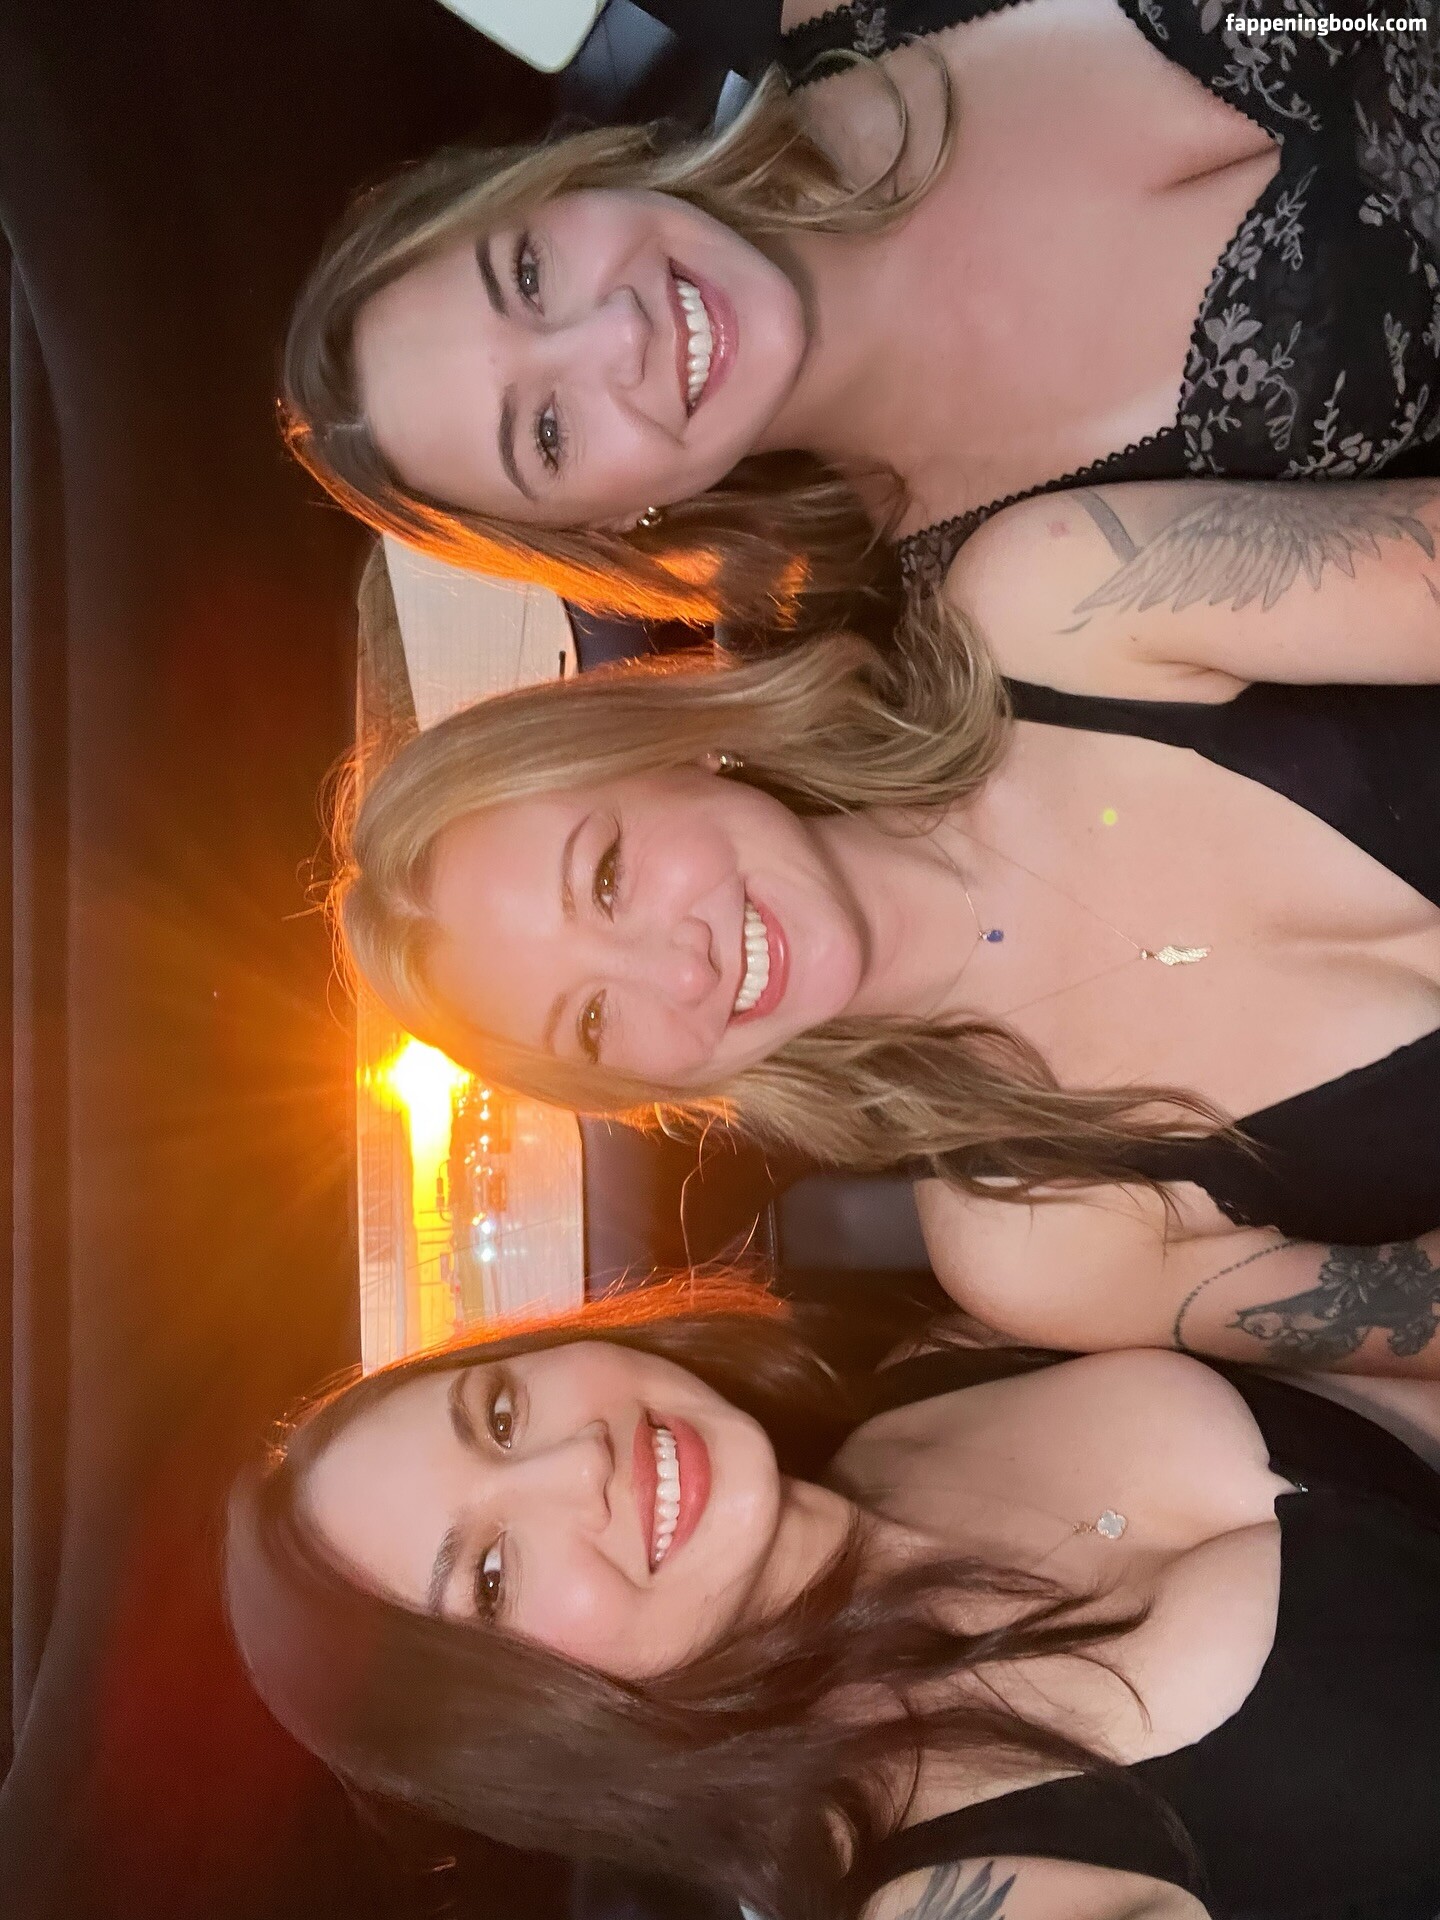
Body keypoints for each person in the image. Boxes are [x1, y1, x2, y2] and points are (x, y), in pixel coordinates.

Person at [333, 475, 1440, 1376]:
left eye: (609, 875)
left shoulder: (1059, 601)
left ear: (656, 746)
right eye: (592, 1021)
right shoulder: (1039, 1244)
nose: (681, 968)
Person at [224, 1277, 1440, 1920]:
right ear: (526, 1732)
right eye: (490, 1575)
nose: (573, 1463)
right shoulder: (966, 1889)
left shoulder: (932, 1368)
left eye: (498, 1413)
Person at [282, 1, 1440, 635]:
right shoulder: (976, 626)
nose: (616, 335)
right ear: (608, 524)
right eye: (547, 430)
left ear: (552, 186)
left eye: (529, 273)